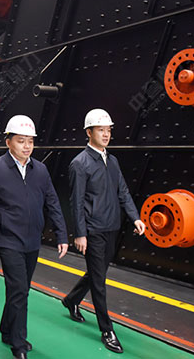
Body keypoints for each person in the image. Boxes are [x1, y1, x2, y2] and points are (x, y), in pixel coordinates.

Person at [0, 115, 68, 359]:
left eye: (30, 141)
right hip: (8, 239)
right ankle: (18, 343)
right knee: (19, 290)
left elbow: (53, 202)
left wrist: (62, 234)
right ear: (8, 142)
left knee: (20, 289)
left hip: (32, 239)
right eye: (21, 141)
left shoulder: (41, 170)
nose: (27, 146)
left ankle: (7, 330)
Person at [61, 109, 146, 354]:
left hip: (112, 227)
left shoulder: (113, 161)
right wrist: (80, 233)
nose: (106, 134)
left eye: (108, 130)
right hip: (93, 230)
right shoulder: (80, 164)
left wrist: (135, 217)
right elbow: (76, 202)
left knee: (97, 273)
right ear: (89, 132)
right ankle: (107, 330)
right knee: (99, 281)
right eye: (101, 130)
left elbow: (123, 191)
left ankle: (71, 299)